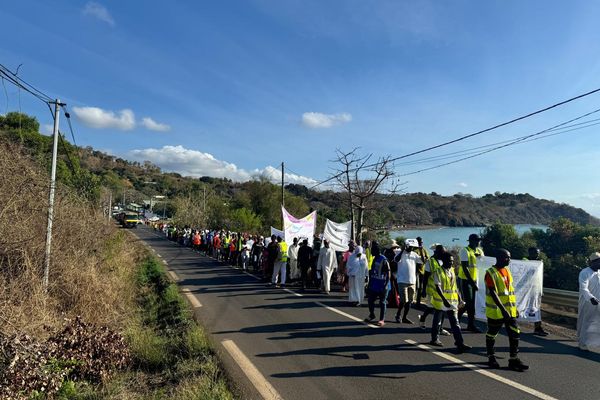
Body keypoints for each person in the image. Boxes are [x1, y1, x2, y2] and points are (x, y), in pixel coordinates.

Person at [485, 249, 529, 371]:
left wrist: (515, 309)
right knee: (492, 334)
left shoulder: (507, 271)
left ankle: (513, 359)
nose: (509, 260)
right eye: (506, 257)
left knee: (515, 333)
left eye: (509, 257)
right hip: (497, 312)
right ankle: (491, 357)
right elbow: (493, 293)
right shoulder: (490, 273)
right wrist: (503, 309)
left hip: (510, 311)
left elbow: (510, 293)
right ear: (499, 258)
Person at [430, 251, 471, 353]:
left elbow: (455, 287)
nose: (451, 263)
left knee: (455, 323)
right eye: (449, 261)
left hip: (452, 301)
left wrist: (460, 298)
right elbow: (438, 287)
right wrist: (444, 300)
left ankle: (459, 342)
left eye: (452, 261)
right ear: (443, 261)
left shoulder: (452, 270)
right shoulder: (438, 271)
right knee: (437, 322)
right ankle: (434, 339)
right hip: (441, 301)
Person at [419, 244, 450, 336]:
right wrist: (423, 289)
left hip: (442, 290)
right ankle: (423, 318)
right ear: (437, 252)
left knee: (442, 309)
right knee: (431, 308)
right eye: (442, 252)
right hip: (432, 290)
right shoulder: (430, 262)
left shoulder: (442, 261)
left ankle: (440, 328)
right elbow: (426, 277)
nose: (444, 254)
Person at [458, 233, 484, 332]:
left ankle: (466, 323)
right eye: (477, 240)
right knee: (469, 303)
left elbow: (483, 264)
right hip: (466, 280)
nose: (478, 242)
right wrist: (472, 282)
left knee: (473, 303)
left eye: (479, 240)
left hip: (476, 280)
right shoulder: (465, 251)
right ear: (471, 241)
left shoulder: (479, 251)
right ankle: (469, 324)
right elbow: (465, 267)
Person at [394, 239, 422, 324]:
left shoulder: (414, 254)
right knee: (403, 301)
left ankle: (405, 317)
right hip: (402, 280)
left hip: (412, 281)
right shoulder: (399, 253)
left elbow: (422, 261)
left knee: (409, 301)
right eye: (410, 247)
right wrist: (402, 250)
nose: (411, 249)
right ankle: (398, 315)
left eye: (413, 247)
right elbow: (396, 260)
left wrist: (421, 251)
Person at [522, 247, 549, 336]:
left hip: (535, 289)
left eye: (538, 253)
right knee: (520, 306)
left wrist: (541, 289)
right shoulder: (525, 260)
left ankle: (538, 328)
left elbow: (539, 277)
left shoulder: (539, 262)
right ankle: (512, 324)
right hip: (525, 289)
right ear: (530, 253)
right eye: (535, 253)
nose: (537, 255)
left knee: (536, 308)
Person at [577, 252, 600, 352]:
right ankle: (582, 343)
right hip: (588, 302)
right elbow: (583, 288)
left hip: (598, 302)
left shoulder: (599, 272)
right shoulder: (584, 272)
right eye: (599, 262)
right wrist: (591, 298)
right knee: (585, 322)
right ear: (592, 262)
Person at [365, 242, 391, 327]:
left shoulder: (384, 259)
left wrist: (386, 285)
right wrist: (369, 284)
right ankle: (372, 314)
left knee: (382, 302)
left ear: (376, 250)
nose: (371, 251)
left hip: (382, 284)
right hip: (374, 284)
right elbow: (372, 272)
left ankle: (381, 319)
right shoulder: (374, 258)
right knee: (370, 301)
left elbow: (388, 272)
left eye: (372, 250)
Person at [414, 237, 429, 307]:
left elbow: (426, 260)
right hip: (415, 271)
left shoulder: (424, 250)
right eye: (420, 242)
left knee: (420, 287)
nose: (421, 244)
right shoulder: (414, 250)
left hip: (422, 271)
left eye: (422, 242)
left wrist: (422, 257)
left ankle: (418, 302)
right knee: (416, 287)